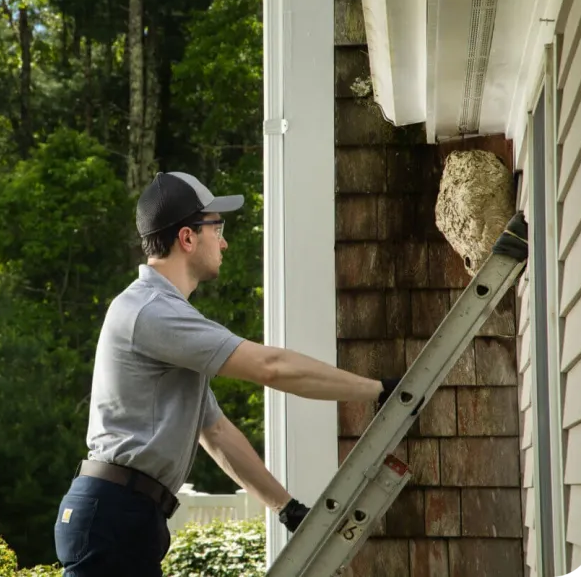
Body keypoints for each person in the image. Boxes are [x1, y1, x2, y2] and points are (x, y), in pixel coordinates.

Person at [53, 171, 400, 577]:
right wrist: (379, 390)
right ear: (187, 238)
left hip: (125, 514)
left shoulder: (163, 314)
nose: (225, 241)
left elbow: (215, 433)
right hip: (114, 515)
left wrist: (286, 509)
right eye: (217, 229)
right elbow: (270, 367)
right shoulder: (152, 312)